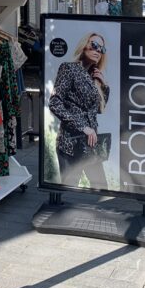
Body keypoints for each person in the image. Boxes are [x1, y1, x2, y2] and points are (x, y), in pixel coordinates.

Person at [48, 31, 111, 188]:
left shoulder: (93, 77)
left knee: (102, 187)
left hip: (91, 144)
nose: (97, 51)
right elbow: (55, 103)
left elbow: (98, 110)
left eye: (101, 49)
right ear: (84, 46)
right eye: (94, 45)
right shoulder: (69, 69)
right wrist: (83, 127)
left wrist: (104, 86)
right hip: (71, 143)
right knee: (69, 188)